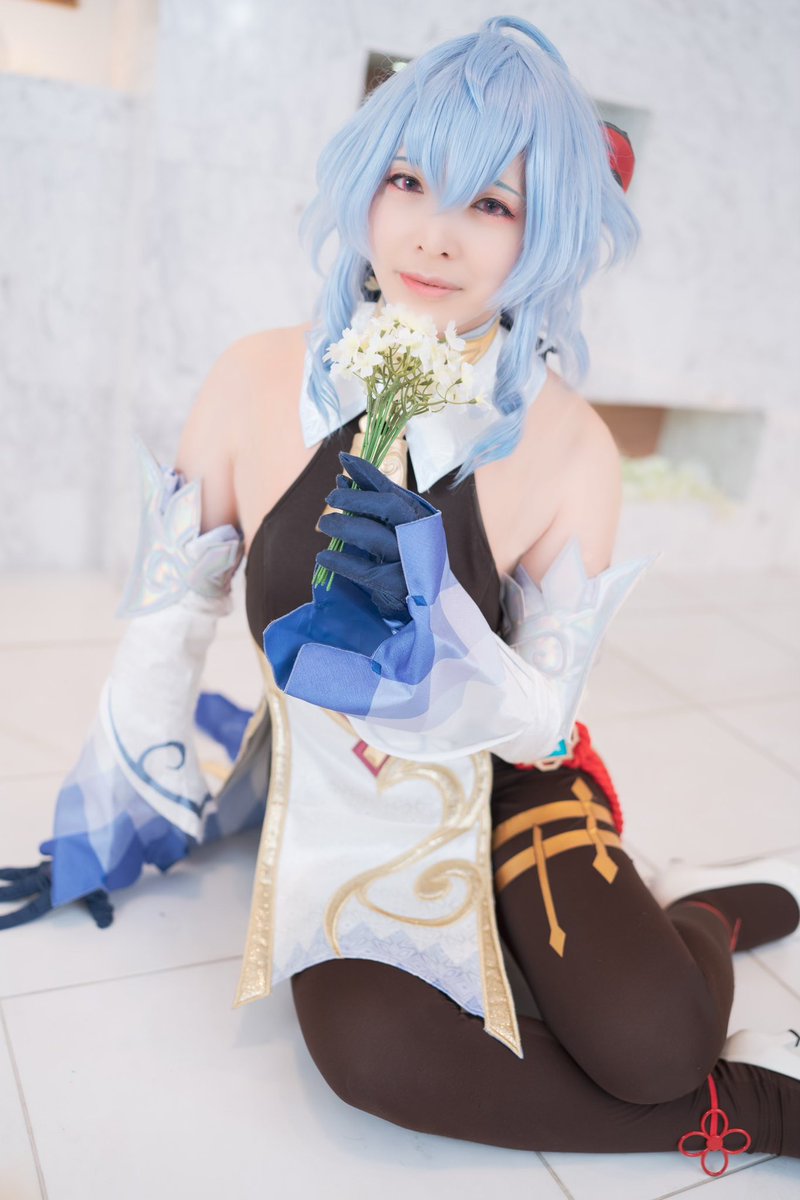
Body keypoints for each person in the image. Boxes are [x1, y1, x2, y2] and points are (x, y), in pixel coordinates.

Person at [2, 14, 799, 1177]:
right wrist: (117, 817)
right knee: (369, 1054)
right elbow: (169, 626)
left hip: (506, 780)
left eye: (491, 203)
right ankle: (762, 1110)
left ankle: (697, 921)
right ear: (364, 180)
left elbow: (537, 720)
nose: (432, 233)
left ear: (544, 231)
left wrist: (443, 631)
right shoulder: (255, 377)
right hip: (338, 797)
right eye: (408, 180)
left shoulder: (568, 444)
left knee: (654, 1043)